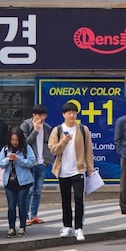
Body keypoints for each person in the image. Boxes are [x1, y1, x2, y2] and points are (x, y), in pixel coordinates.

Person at [48, 102, 95, 242]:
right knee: (66, 200)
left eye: (74, 112)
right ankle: (67, 225)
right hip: (63, 171)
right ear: (64, 114)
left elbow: (89, 150)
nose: (72, 115)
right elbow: (53, 150)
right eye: (69, 113)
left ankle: (79, 228)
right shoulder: (57, 130)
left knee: (79, 199)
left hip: (78, 170)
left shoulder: (82, 129)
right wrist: (63, 141)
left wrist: (90, 169)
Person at [19, 104, 53, 225]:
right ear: (34, 115)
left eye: (43, 115)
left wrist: (46, 161)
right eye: (39, 115)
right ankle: (25, 216)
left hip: (41, 163)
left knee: (38, 191)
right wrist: (36, 130)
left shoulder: (47, 128)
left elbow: (49, 145)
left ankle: (34, 215)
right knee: (29, 190)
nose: (41, 118)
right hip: (29, 163)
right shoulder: (26, 125)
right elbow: (24, 143)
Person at [0, 128, 36, 237]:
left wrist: (18, 159)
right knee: (11, 206)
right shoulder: (5, 149)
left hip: (23, 182)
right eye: (12, 140)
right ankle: (11, 228)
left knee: (22, 204)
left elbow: (32, 162)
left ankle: (22, 227)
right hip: (9, 182)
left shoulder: (26, 148)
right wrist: (8, 159)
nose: (14, 142)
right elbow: (0, 164)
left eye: (16, 140)